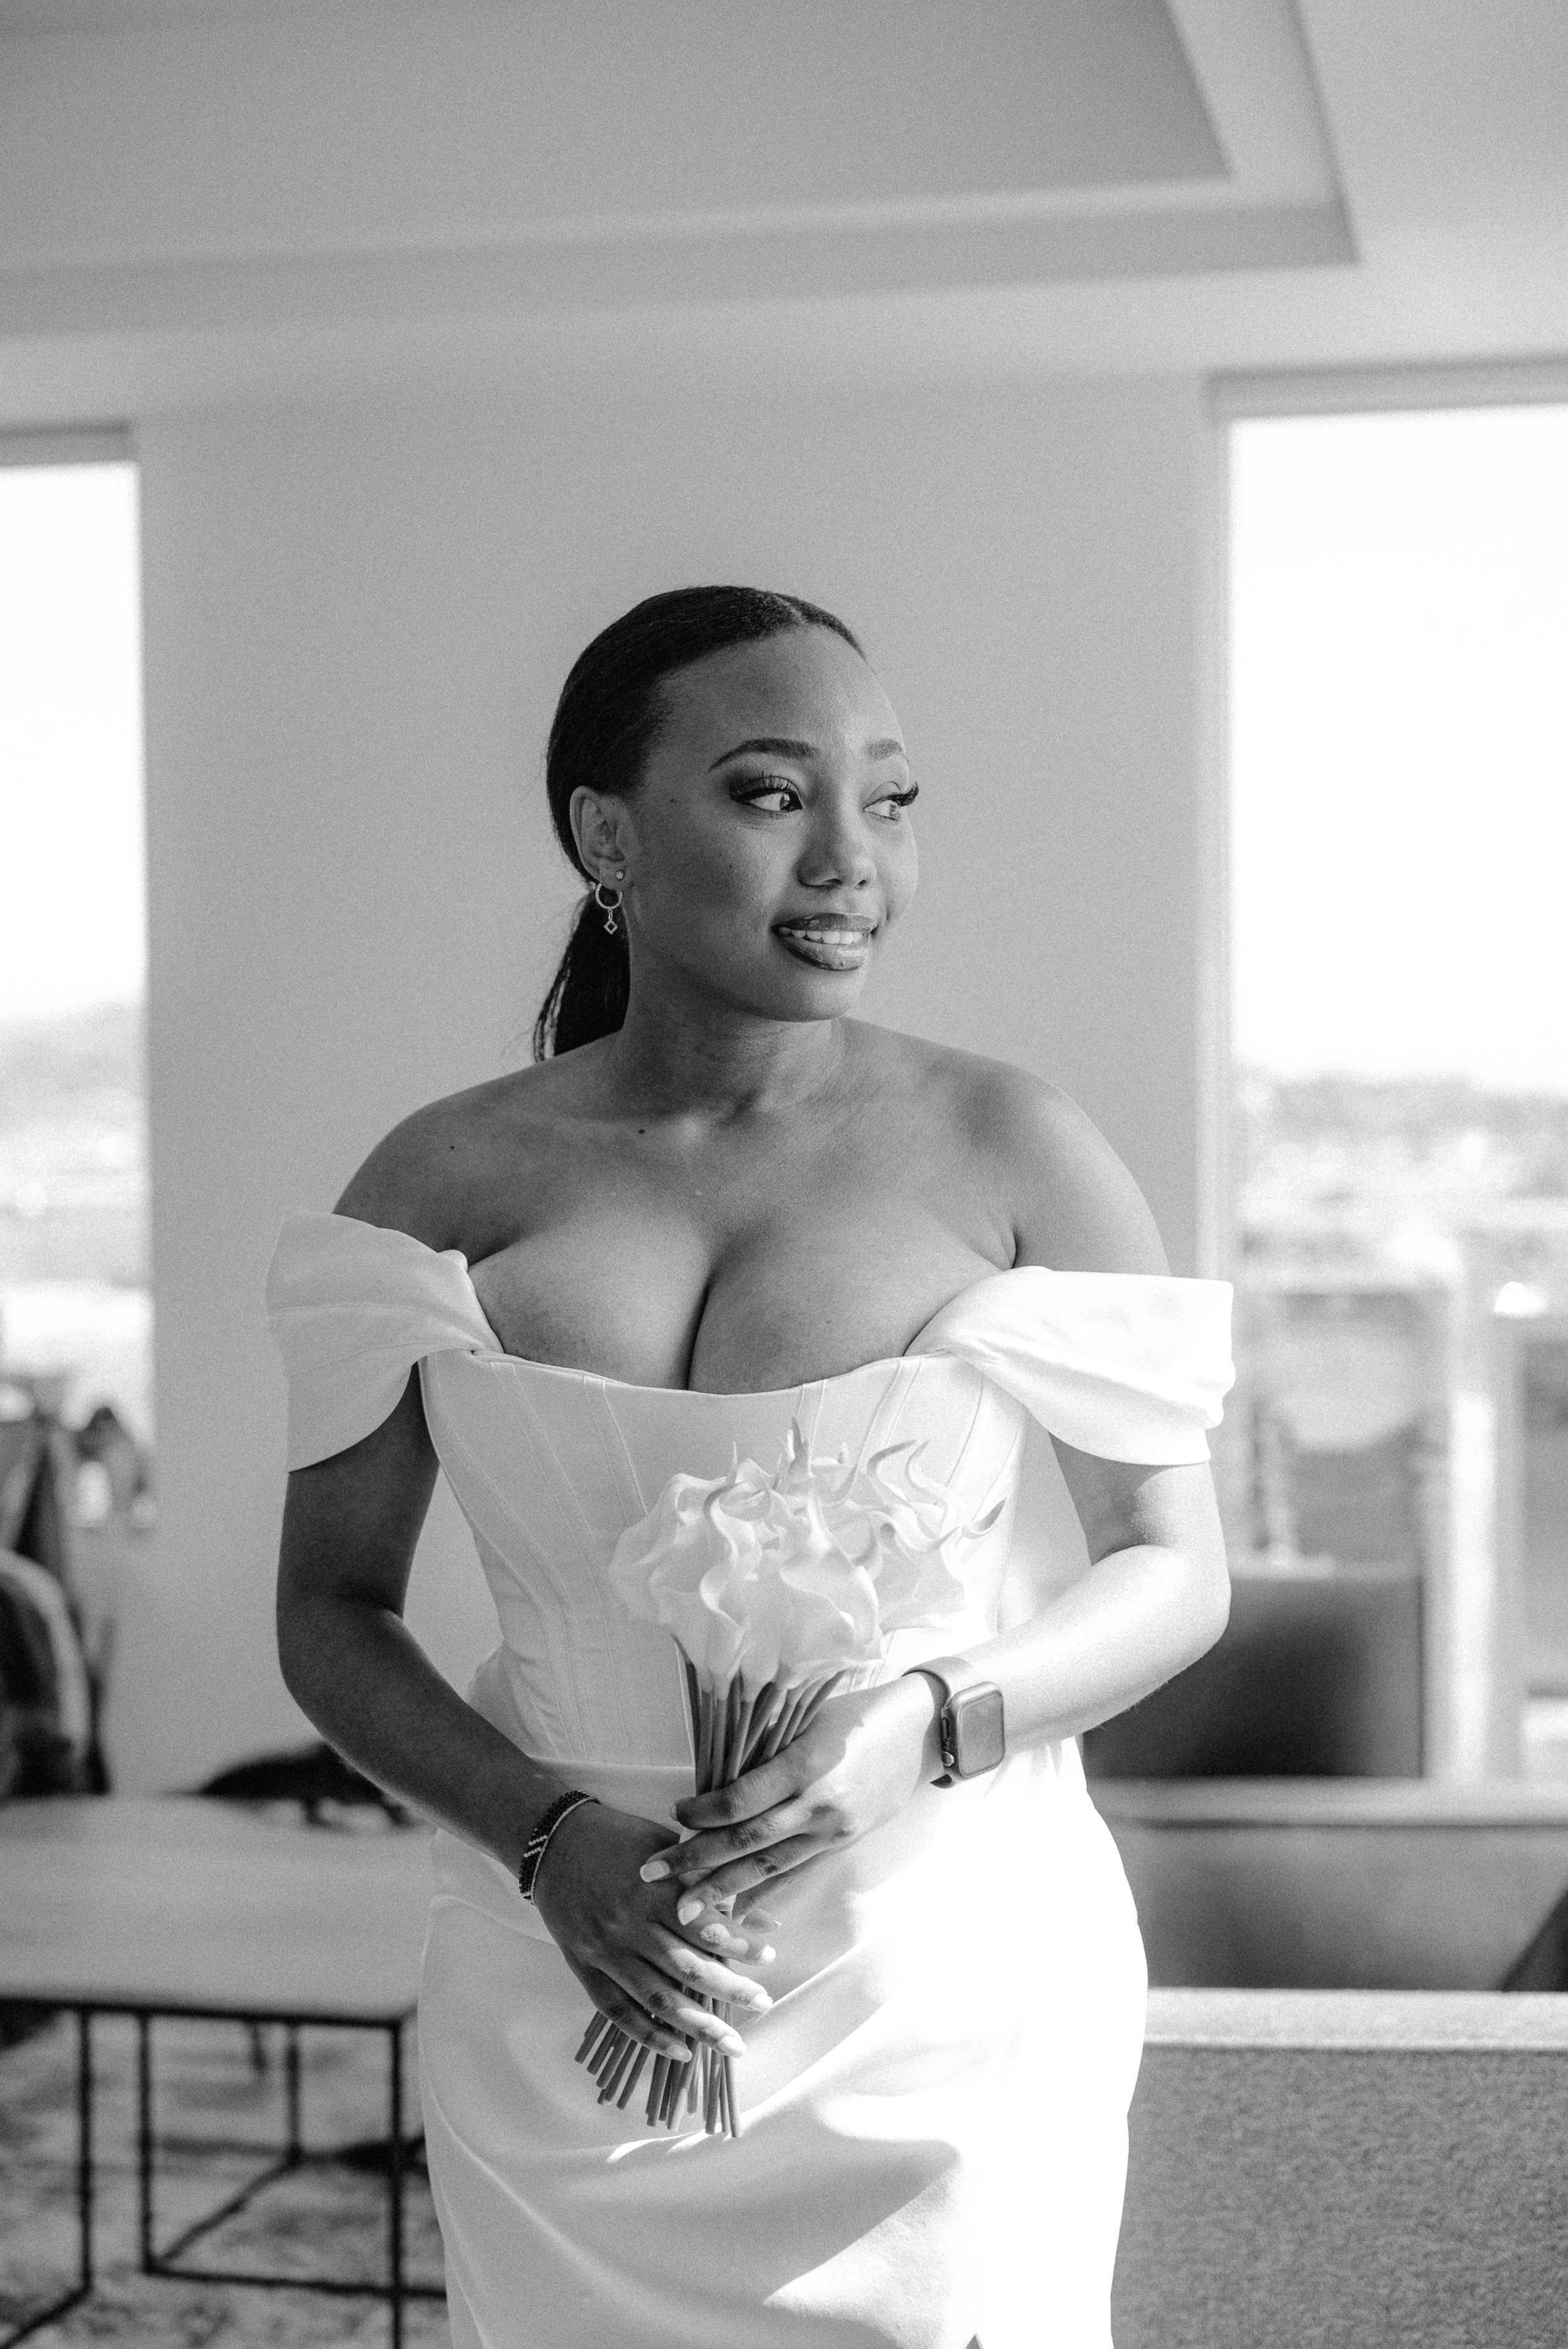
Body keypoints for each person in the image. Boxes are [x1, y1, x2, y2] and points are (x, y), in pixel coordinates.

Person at [266, 585, 1234, 2349]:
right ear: (606, 836)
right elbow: (331, 1611)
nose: (852, 859)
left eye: (892, 799)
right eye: (775, 794)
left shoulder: (1014, 1145)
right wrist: (547, 1842)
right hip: (560, 1970)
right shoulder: (435, 1184)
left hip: (938, 1970)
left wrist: (925, 1724)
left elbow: (1174, 1566)